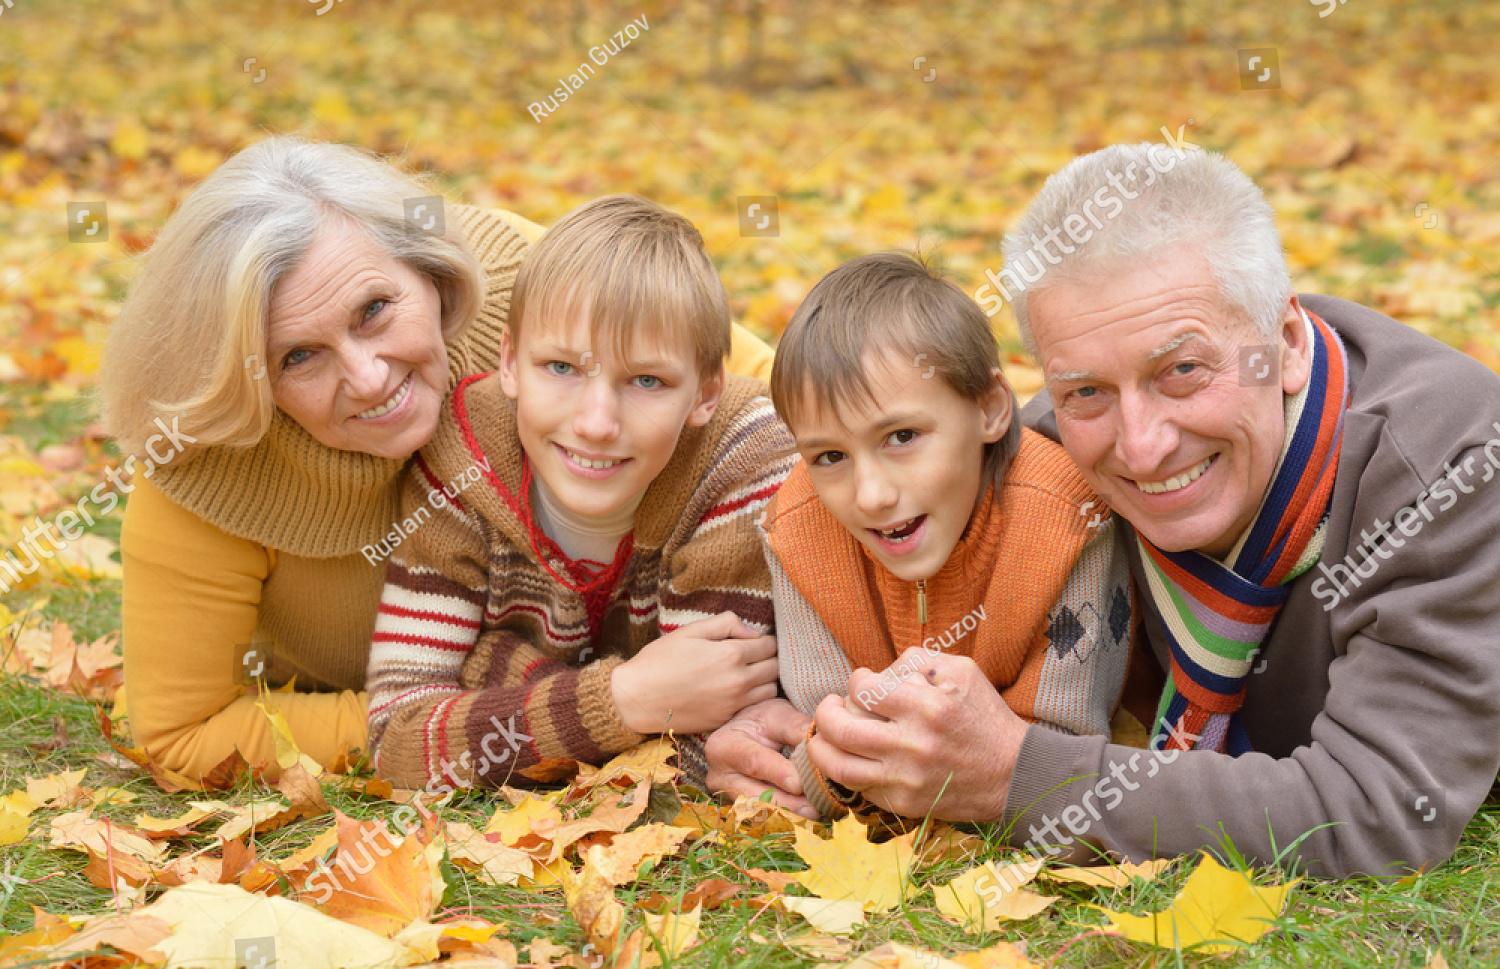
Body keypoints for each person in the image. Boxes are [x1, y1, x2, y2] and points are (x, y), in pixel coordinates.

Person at [726, 141, 1500, 879]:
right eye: (1086, 390)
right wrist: (759, 722)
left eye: (1183, 370)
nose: (1141, 444)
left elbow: (1382, 807)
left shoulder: (1453, 469)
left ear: (1286, 343)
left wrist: (1018, 774)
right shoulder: (1047, 459)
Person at [100, 136, 774, 781]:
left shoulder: (534, 286)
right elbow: (184, 730)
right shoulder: (202, 469)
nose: (367, 378)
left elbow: (783, 400)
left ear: (430, 270)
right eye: (298, 356)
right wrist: (577, 711)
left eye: (373, 309)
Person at [363, 195, 795, 792]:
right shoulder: (461, 461)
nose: (596, 423)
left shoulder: (742, 461)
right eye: (562, 368)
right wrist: (623, 699)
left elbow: (706, 729)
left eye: (647, 380)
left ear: (704, 393)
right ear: (511, 361)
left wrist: (497, 666)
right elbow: (399, 741)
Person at [704, 253, 1136, 820]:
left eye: (901, 436)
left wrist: (851, 764)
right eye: (830, 456)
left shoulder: (1066, 519)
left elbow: (1056, 750)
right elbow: (820, 734)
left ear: (989, 408)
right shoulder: (800, 529)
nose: (872, 495)